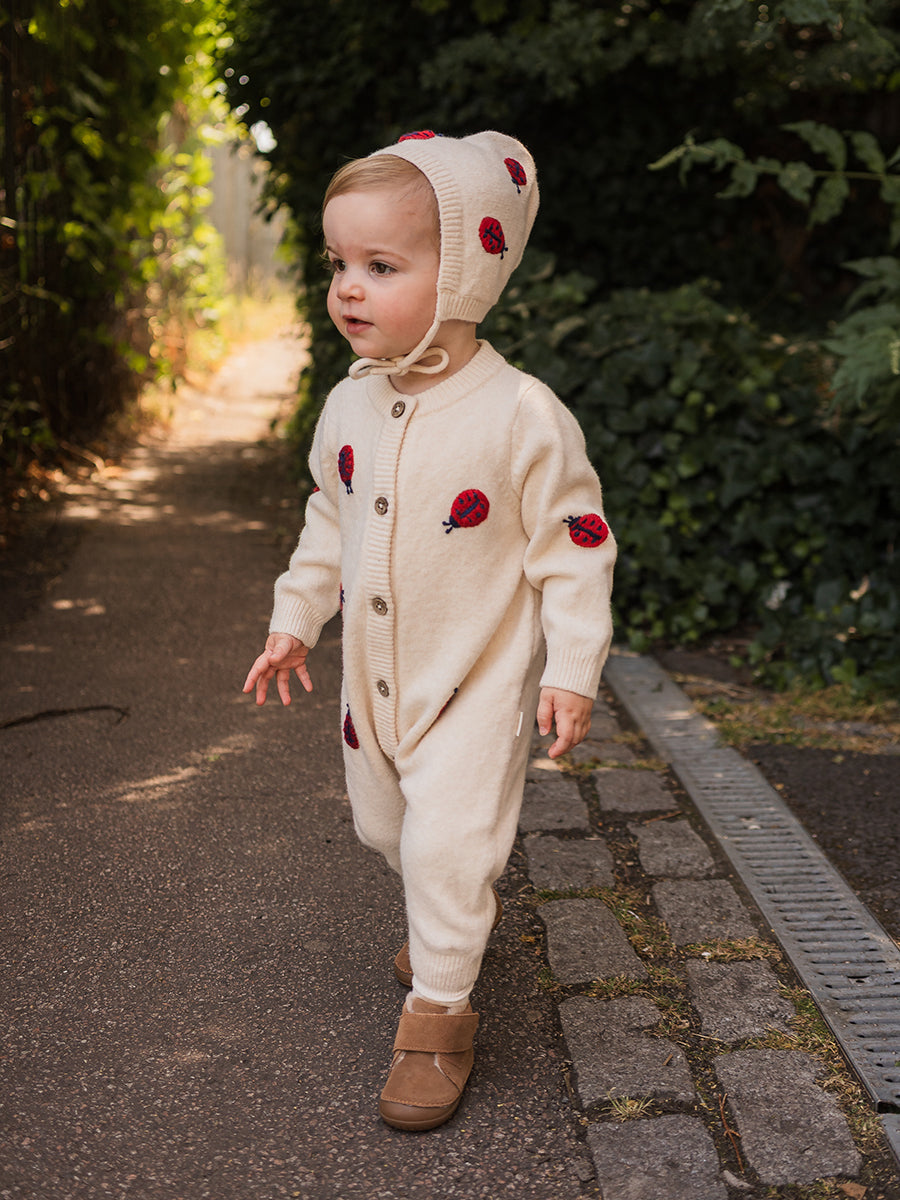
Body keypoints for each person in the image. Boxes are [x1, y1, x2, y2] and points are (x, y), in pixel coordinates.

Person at [243, 130, 616, 1132]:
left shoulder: (521, 414)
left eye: (380, 266)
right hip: (375, 688)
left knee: (448, 846)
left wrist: (572, 666)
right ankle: (438, 915)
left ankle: (439, 1014)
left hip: (476, 682)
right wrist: (295, 619)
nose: (347, 289)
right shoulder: (348, 405)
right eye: (337, 263)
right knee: (388, 829)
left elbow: (576, 545)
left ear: (463, 273)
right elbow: (328, 517)